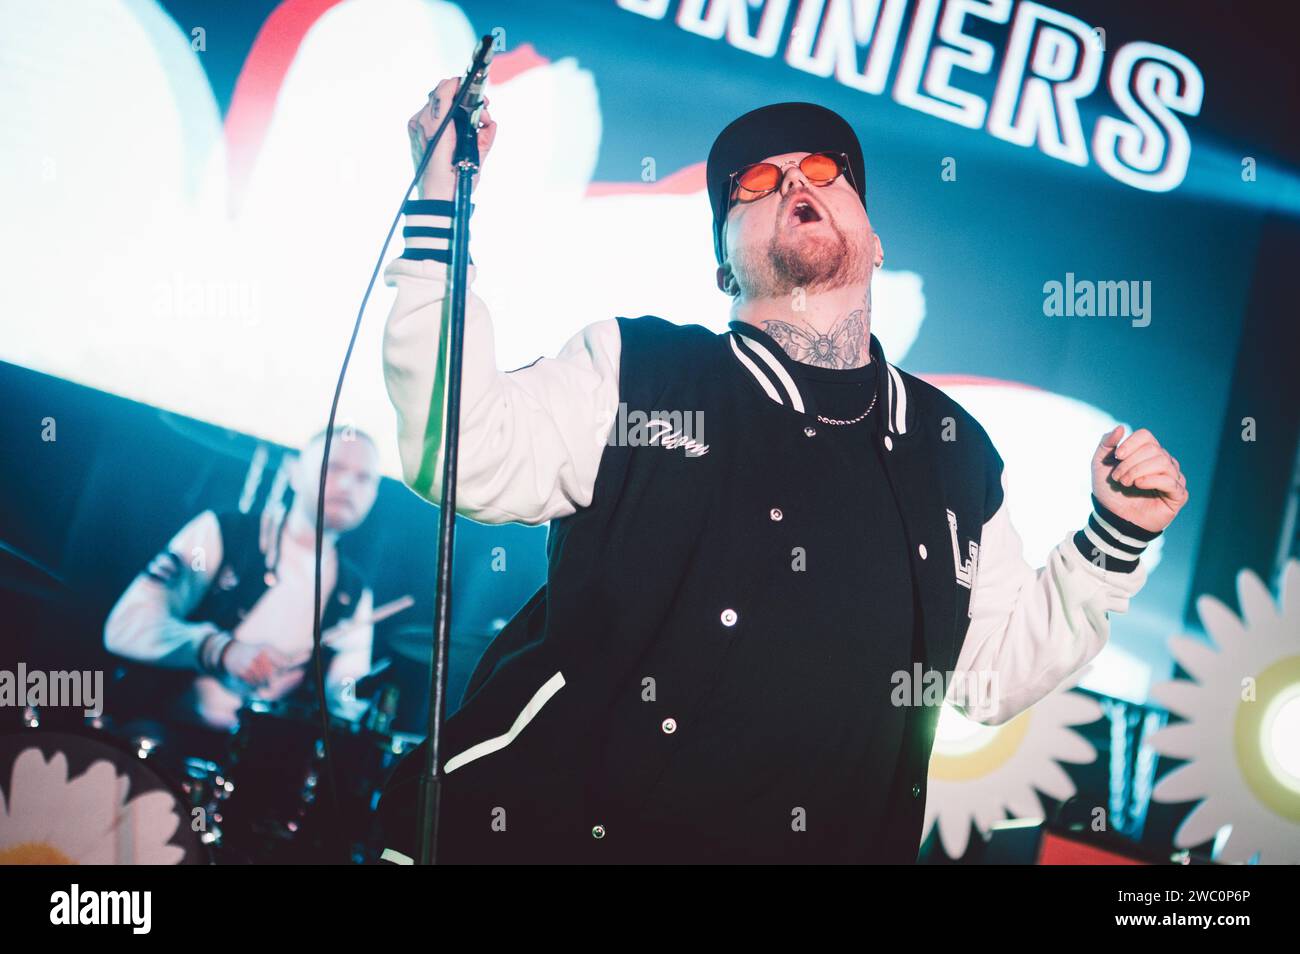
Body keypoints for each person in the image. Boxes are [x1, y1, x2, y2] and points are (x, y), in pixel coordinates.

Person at [377, 83, 1188, 864]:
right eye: (757, 183)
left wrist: (1115, 537)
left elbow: (991, 674)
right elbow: (455, 450)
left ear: (876, 240)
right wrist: (440, 212)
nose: (797, 181)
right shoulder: (638, 369)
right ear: (723, 268)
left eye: (827, 170)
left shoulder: (954, 449)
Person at [104, 428, 380, 745]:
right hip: (151, 738)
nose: (347, 486)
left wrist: (358, 692)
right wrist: (218, 649)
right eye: (334, 468)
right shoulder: (223, 532)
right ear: (294, 471)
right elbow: (125, 626)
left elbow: (345, 698)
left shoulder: (355, 593)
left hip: (256, 765)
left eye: (364, 478)